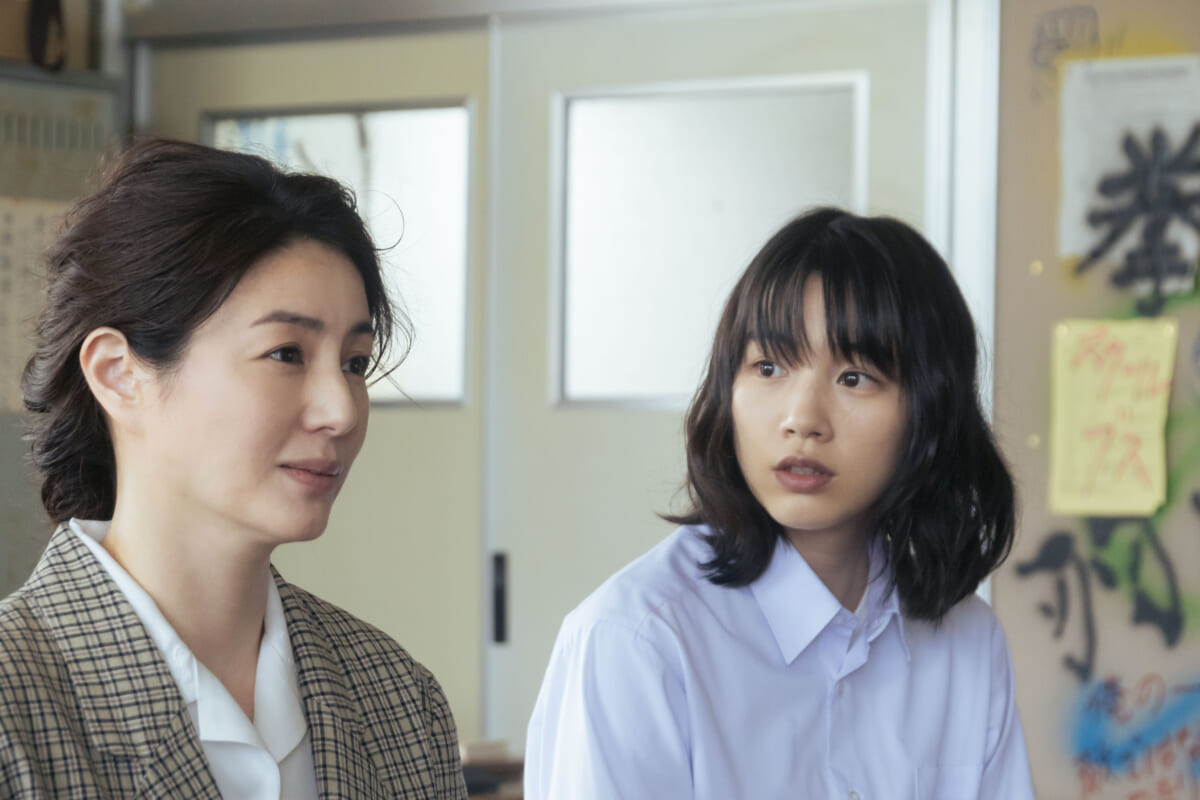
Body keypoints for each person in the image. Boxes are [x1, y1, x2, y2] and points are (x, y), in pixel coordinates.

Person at [0, 139, 468, 799]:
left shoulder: (399, 699)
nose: (341, 411)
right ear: (119, 374)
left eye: (355, 363)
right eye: (286, 353)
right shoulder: (15, 701)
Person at [525, 207, 1036, 799]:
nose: (801, 419)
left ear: (931, 408)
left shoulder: (967, 642)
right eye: (768, 367)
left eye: (854, 378)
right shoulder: (635, 642)